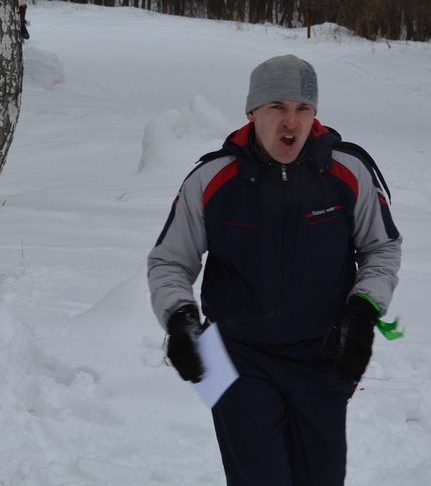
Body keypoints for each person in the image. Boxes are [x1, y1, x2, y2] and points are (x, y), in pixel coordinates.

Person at [147, 54, 403, 486]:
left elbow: (381, 249)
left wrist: (362, 313)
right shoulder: (211, 178)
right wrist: (179, 319)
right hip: (233, 354)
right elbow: (170, 261)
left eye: (303, 109)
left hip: (324, 356)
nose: (292, 122)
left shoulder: (348, 171)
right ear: (252, 113)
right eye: (277, 108)